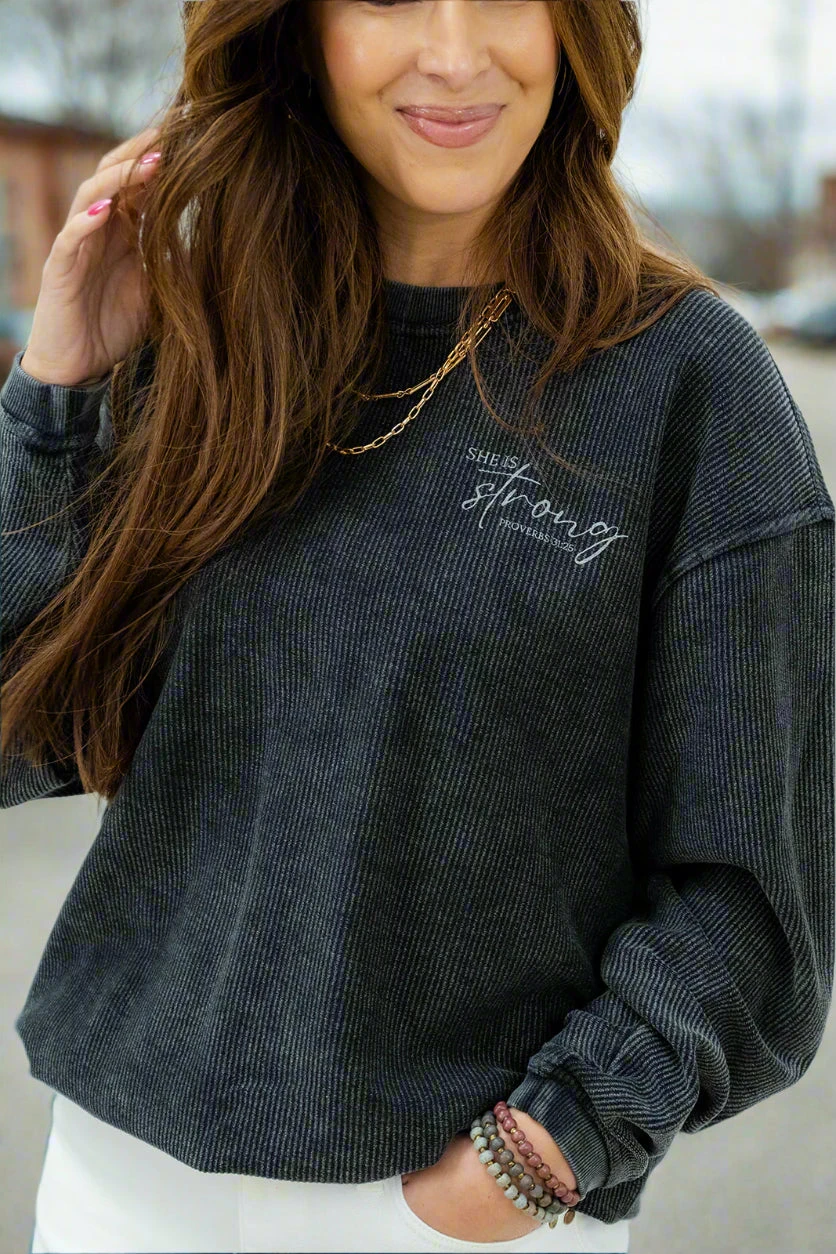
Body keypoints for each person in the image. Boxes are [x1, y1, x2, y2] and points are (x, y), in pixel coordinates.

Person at [1, 2, 833, 1252]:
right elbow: (23, 730)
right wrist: (57, 395)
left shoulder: (689, 385)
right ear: (300, 30)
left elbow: (755, 897)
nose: (452, 53)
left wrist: (546, 1147)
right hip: (117, 1179)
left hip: (447, 1204)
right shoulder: (210, 340)